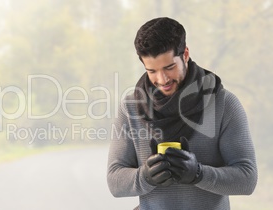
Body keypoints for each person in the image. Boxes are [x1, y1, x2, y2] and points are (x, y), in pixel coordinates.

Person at [107, 17, 257, 210]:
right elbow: (114, 181)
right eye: (151, 71)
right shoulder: (130, 107)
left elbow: (247, 179)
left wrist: (199, 174)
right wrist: (145, 176)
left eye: (169, 67)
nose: (162, 80)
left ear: (185, 54)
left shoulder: (224, 104)